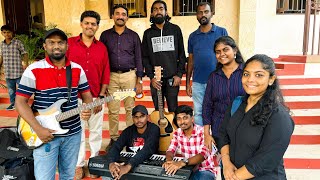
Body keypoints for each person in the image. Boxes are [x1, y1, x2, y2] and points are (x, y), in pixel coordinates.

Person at [15, 28, 93, 180]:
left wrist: (87, 109)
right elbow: (20, 102)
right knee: (44, 177)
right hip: (45, 134)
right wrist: (38, 129)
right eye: (51, 42)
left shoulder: (77, 69)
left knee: (68, 175)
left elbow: (87, 96)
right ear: (44, 46)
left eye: (60, 42)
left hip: (73, 134)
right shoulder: (34, 69)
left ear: (66, 45)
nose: (56, 46)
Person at [219, 54, 295, 179]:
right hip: (231, 173)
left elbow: (266, 159)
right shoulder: (237, 103)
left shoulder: (279, 116)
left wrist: (234, 177)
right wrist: (226, 163)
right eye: (246, 74)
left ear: (271, 79)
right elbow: (223, 134)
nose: (250, 79)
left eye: (259, 75)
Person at [66, 10, 110, 179]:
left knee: (96, 132)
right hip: (74, 98)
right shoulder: (69, 44)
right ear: (81, 24)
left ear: (97, 26)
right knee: (77, 132)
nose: (90, 26)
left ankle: (93, 164)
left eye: (93, 24)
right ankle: (78, 165)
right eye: (87, 23)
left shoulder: (102, 48)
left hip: (96, 98)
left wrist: (100, 96)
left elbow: (105, 73)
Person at [100, 5, 143, 152]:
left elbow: (139, 59)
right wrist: (103, 82)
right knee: (113, 109)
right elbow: (102, 60)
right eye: (117, 14)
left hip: (129, 76)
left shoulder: (133, 36)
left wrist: (139, 80)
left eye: (123, 14)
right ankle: (114, 139)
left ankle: (131, 139)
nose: (120, 16)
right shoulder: (105, 36)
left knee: (130, 108)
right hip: (111, 77)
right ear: (113, 16)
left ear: (127, 17)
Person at [186, 2, 228, 125]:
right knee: (199, 112)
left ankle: (216, 139)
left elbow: (228, 55)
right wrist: (188, 82)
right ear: (196, 15)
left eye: (206, 11)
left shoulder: (221, 32)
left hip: (218, 80)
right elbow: (191, 60)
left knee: (218, 111)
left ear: (211, 13)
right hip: (198, 82)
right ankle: (201, 140)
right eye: (200, 12)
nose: (203, 14)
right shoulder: (193, 36)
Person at [202, 36, 246, 152]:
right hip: (219, 130)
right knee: (224, 165)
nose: (222, 54)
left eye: (225, 49)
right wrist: (206, 134)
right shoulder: (213, 77)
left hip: (243, 129)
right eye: (218, 52)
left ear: (235, 50)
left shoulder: (246, 73)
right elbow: (207, 105)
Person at [142, 0, 186, 113]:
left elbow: (182, 54)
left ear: (166, 12)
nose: (158, 12)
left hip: (172, 78)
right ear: (151, 14)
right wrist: (151, 77)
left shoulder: (175, 29)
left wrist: (179, 75)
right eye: (155, 9)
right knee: (158, 110)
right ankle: (161, 131)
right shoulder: (148, 33)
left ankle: (174, 131)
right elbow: (145, 57)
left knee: (173, 109)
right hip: (156, 80)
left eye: (161, 9)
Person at [163, 105, 217, 180]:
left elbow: (203, 155)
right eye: (179, 119)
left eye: (185, 118)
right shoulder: (177, 133)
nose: (182, 122)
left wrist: (182, 162)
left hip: (204, 170)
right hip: (186, 168)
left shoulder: (203, 132)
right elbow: (171, 150)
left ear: (192, 119)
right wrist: (169, 161)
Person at [106, 105, 160, 180]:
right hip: (131, 162)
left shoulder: (154, 129)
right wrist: (111, 163)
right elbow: (116, 146)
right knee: (107, 176)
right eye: (136, 117)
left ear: (147, 117)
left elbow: (148, 149)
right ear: (132, 118)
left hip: (146, 162)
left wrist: (128, 166)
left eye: (142, 116)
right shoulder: (128, 131)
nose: (139, 120)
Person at [0, 25, 28, 110]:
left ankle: (23, 104)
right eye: (4, 32)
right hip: (8, 72)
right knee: (11, 90)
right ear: (2, 33)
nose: (7, 34)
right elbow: (1, 56)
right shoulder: (1, 44)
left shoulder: (17, 43)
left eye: (8, 32)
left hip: (18, 71)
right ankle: (13, 104)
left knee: (21, 89)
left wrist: (25, 64)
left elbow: (25, 53)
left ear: (12, 32)